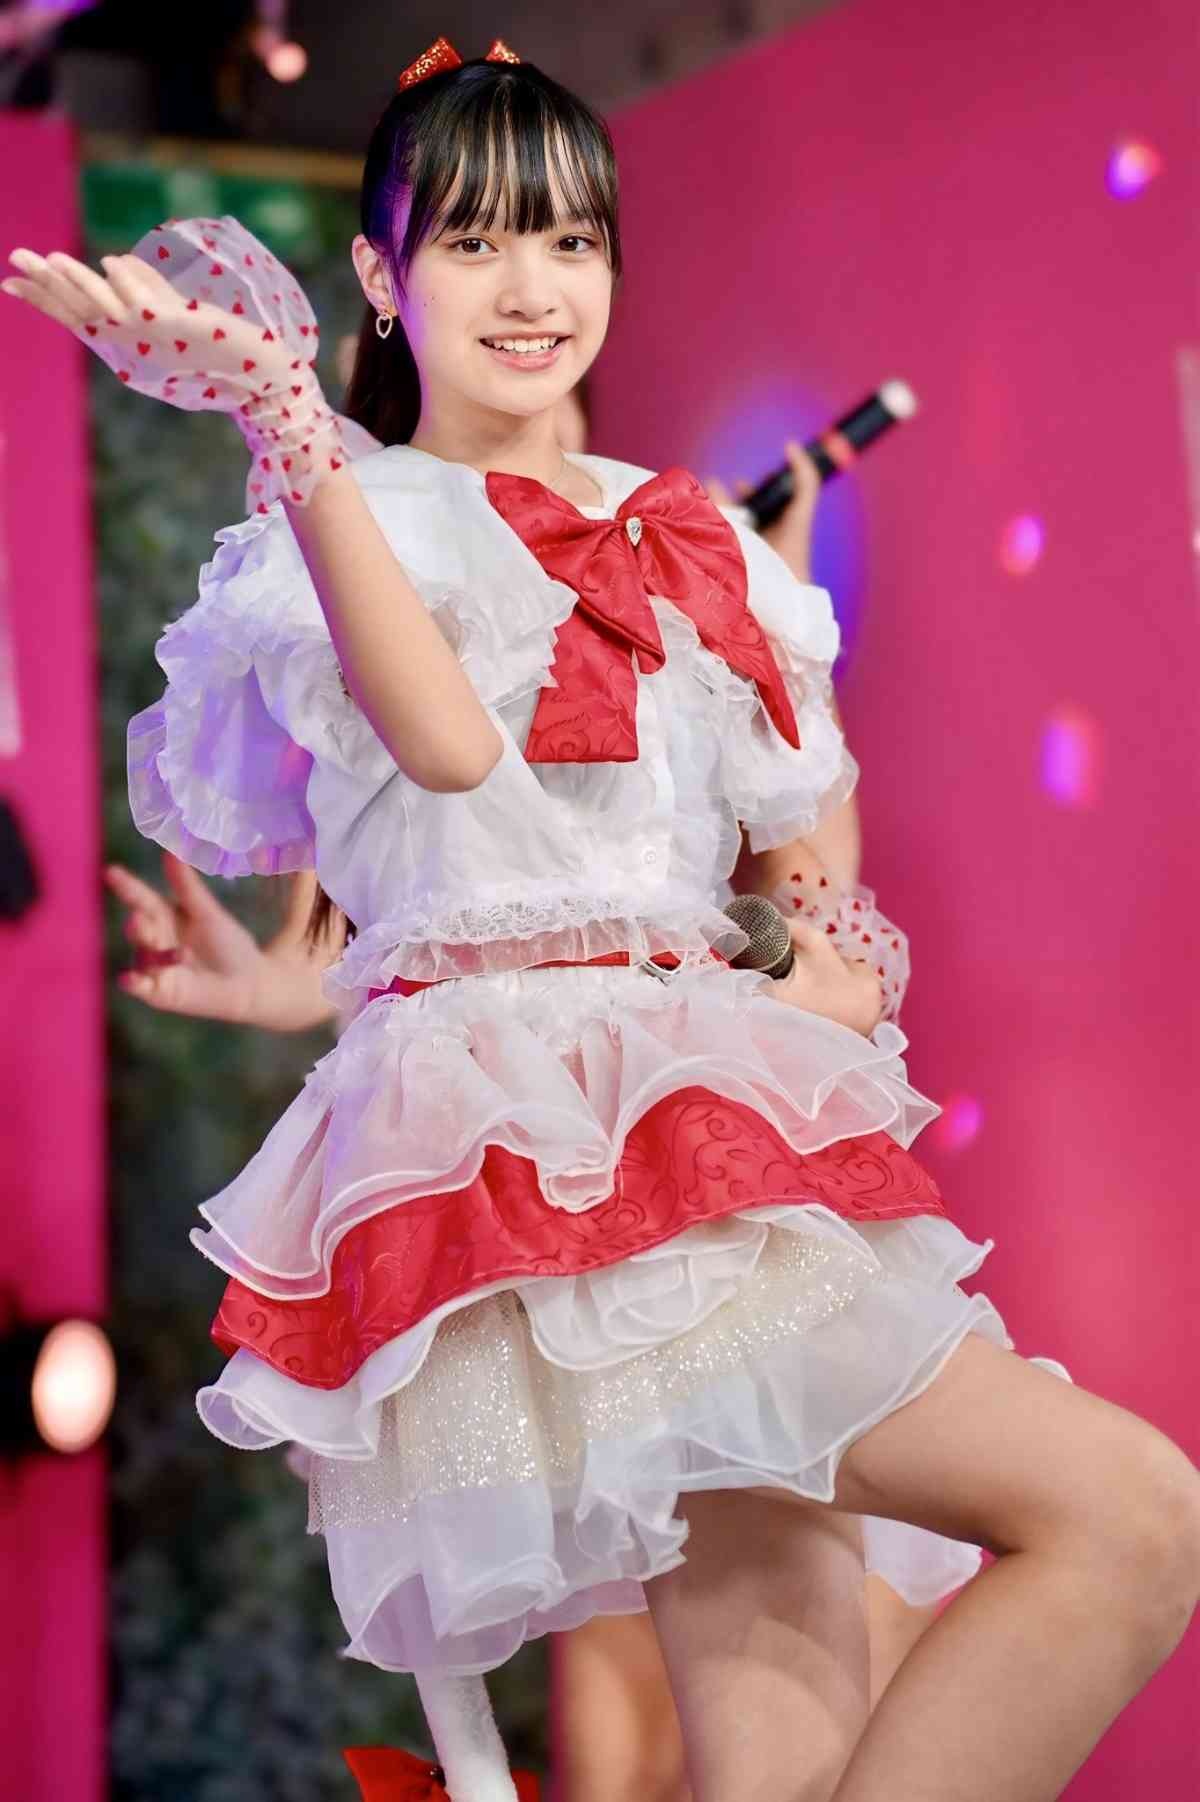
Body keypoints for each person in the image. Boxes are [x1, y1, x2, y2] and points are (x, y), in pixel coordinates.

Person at [9, 42, 1198, 1802]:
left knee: (790, 1763)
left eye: (571, 240)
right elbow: (449, 757)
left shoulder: (704, 536)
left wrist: (821, 957)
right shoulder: (353, 516)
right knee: (1136, 1511)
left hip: (724, 1132)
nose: (533, 286)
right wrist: (285, 420)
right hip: (554, 1166)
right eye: (478, 239)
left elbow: (799, 836)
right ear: (382, 274)